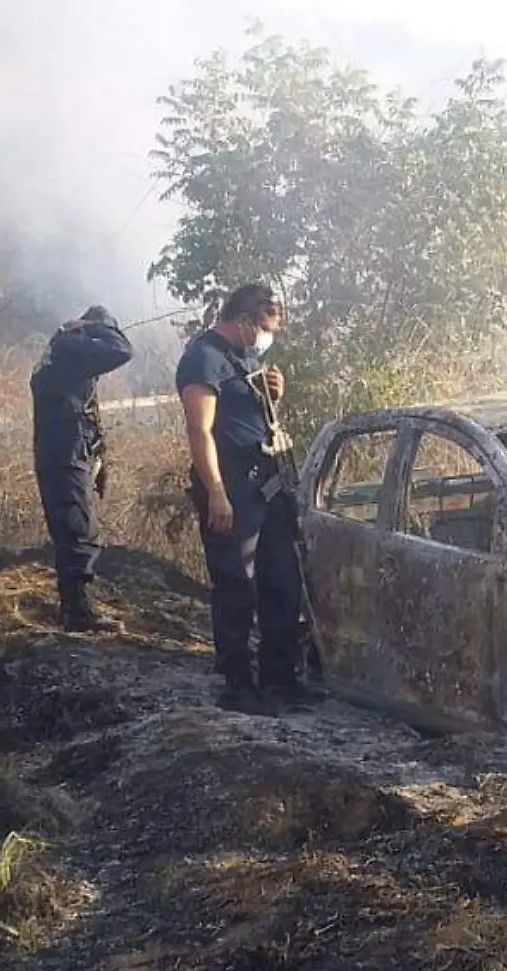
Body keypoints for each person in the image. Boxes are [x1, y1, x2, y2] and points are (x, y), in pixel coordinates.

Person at [174, 282, 319, 714]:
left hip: (267, 484)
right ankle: (237, 683)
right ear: (242, 321)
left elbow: (250, 412)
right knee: (238, 584)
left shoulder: (245, 355)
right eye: (264, 329)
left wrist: (273, 394)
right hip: (231, 488)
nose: (267, 339)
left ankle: (281, 677)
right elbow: (200, 432)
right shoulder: (203, 359)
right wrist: (216, 492)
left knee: (282, 581)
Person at [30, 305, 135, 633]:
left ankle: (75, 605)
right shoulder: (68, 348)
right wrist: (91, 327)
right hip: (63, 452)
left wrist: (100, 462)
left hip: (69, 449)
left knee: (75, 525)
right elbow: (123, 349)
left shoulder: (69, 360)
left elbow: (89, 414)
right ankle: (77, 611)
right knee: (78, 529)